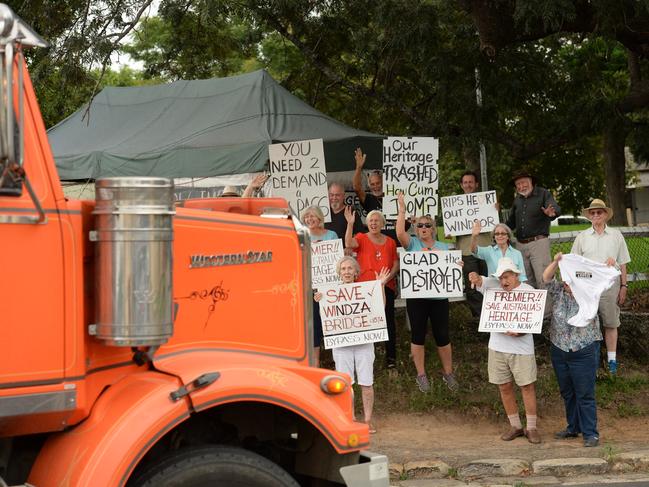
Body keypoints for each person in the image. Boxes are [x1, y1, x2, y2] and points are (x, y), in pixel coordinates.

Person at [469, 258, 541, 444]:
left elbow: (534, 319)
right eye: (501, 278)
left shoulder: (529, 292)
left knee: (526, 386)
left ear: (516, 275)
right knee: (504, 386)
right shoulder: (493, 288)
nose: (503, 281)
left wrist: (522, 331)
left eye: (507, 277)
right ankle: (515, 426)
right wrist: (474, 277)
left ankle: (531, 427)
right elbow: (479, 281)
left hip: (522, 349)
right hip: (497, 347)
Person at [315, 257, 390, 434]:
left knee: (366, 382)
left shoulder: (365, 290)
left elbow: (380, 307)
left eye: (350, 268)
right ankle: (350, 418)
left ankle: (368, 420)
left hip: (364, 343)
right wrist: (320, 300)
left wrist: (380, 286)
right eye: (343, 269)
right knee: (345, 383)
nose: (347, 271)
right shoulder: (331, 293)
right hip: (342, 345)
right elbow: (328, 316)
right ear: (339, 272)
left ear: (356, 272)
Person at [396, 192, 459, 392]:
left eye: (427, 225)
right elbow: (399, 233)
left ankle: (448, 373)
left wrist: (456, 264)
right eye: (420, 225)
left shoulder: (443, 247)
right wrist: (402, 210)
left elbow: (450, 268)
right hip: (417, 299)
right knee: (418, 336)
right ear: (416, 229)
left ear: (433, 229)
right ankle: (421, 375)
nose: (424, 228)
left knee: (443, 336)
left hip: (439, 298)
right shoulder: (412, 244)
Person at [542, 253, 602, 447]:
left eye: (571, 279)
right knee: (567, 392)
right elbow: (546, 278)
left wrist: (610, 265)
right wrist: (556, 261)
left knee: (584, 393)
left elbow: (604, 278)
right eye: (566, 279)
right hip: (559, 349)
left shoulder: (589, 292)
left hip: (583, 349)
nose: (568, 283)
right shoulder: (558, 290)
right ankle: (573, 427)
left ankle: (590, 433)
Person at [571, 199, 630, 375]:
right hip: (588, 287)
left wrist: (624, 285)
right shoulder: (582, 237)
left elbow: (624, 263)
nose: (596, 215)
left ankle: (612, 361)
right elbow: (574, 263)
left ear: (605, 215)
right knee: (589, 322)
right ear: (589, 216)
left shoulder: (616, 235)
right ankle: (593, 361)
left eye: (599, 212)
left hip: (610, 285)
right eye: (593, 213)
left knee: (611, 322)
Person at [344, 206, 399, 368]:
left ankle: (391, 359)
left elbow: (396, 263)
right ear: (367, 224)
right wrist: (350, 224)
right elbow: (348, 243)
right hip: (364, 288)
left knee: (388, 322)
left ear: (382, 223)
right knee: (366, 323)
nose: (373, 223)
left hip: (385, 286)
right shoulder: (361, 237)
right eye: (370, 221)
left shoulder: (390, 242)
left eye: (376, 221)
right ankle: (367, 360)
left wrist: (388, 277)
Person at [506, 170, 561, 289]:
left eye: (524, 182)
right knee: (525, 282)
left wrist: (552, 212)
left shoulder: (543, 193)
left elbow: (555, 208)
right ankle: (532, 308)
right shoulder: (517, 200)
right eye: (518, 184)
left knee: (544, 279)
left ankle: (548, 308)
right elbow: (510, 223)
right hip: (520, 246)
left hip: (539, 244)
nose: (521, 186)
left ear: (531, 181)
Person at [301, 206, 339, 366]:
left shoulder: (331, 235)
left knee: (333, 321)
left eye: (313, 216)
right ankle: (315, 363)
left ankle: (338, 359)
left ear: (320, 218)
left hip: (330, 287)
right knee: (314, 325)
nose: (310, 219)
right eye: (307, 217)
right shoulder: (302, 236)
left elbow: (337, 259)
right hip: (310, 287)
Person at [454, 170, 491, 318]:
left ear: (476, 184)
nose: (468, 185)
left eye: (471, 182)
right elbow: (451, 228)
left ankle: (492, 317)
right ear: (461, 185)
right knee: (472, 287)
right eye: (465, 182)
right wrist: (451, 230)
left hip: (485, 249)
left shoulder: (486, 202)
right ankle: (481, 320)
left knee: (488, 284)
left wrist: (494, 209)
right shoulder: (455, 205)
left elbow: (493, 221)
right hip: (466, 252)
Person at [352, 147, 407, 243]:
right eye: (372, 184)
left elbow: (406, 224)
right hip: (377, 245)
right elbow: (356, 187)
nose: (375, 186)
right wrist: (359, 167)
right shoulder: (369, 199)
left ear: (383, 182)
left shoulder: (395, 198)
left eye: (378, 183)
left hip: (397, 245)